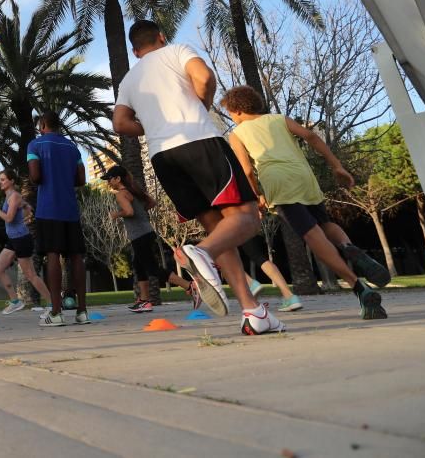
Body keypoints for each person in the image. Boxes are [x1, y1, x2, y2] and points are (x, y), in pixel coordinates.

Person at [113, 20, 285, 335]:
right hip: (200, 143)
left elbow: (121, 124)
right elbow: (204, 76)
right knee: (247, 217)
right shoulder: (176, 50)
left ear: (135, 50)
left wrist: (152, 127)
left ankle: (252, 312)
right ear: (161, 37)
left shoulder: (128, 79)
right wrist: (201, 106)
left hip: (162, 157)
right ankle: (201, 252)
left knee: (220, 229)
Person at [220, 85, 389, 320]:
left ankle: (358, 286)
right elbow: (310, 136)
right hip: (303, 176)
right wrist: (337, 166)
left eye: (230, 113)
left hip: (278, 182)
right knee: (325, 223)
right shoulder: (279, 119)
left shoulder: (237, 134)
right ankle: (349, 247)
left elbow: (247, 170)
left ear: (236, 110)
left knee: (312, 235)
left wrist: (257, 195)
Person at [100, 165, 196, 312]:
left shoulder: (120, 194)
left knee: (152, 268)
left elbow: (129, 212)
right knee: (139, 266)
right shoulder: (134, 190)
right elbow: (152, 203)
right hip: (146, 232)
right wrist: (141, 212)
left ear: (118, 179)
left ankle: (189, 286)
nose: (108, 182)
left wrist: (116, 214)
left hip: (139, 235)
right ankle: (144, 301)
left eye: (110, 179)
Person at [28, 110, 89, 327]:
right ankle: (82, 311)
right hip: (70, 209)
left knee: (52, 255)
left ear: (43, 124)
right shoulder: (72, 147)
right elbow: (81, 179)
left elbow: (35, 176)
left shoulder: (35, 145)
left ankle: (56, 312)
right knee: (76, 256)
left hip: (48, 208)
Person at [0, 169, 52, 315]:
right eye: (0, 179)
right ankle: (15, 302)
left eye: (3, 179)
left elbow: (9, 218)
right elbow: (28, 207)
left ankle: (52, 303)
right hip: (13, 240)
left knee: (31, 275)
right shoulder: (11, 196)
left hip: (22, 239)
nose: (0, 182)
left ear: (11, 181)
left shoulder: (14, 196)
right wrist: (27, 210)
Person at [240, 235, 303, 312]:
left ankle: (251, 283)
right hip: (245, 225)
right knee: (259, 257)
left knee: (225, 256)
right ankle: (290, 297)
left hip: (227, 226)